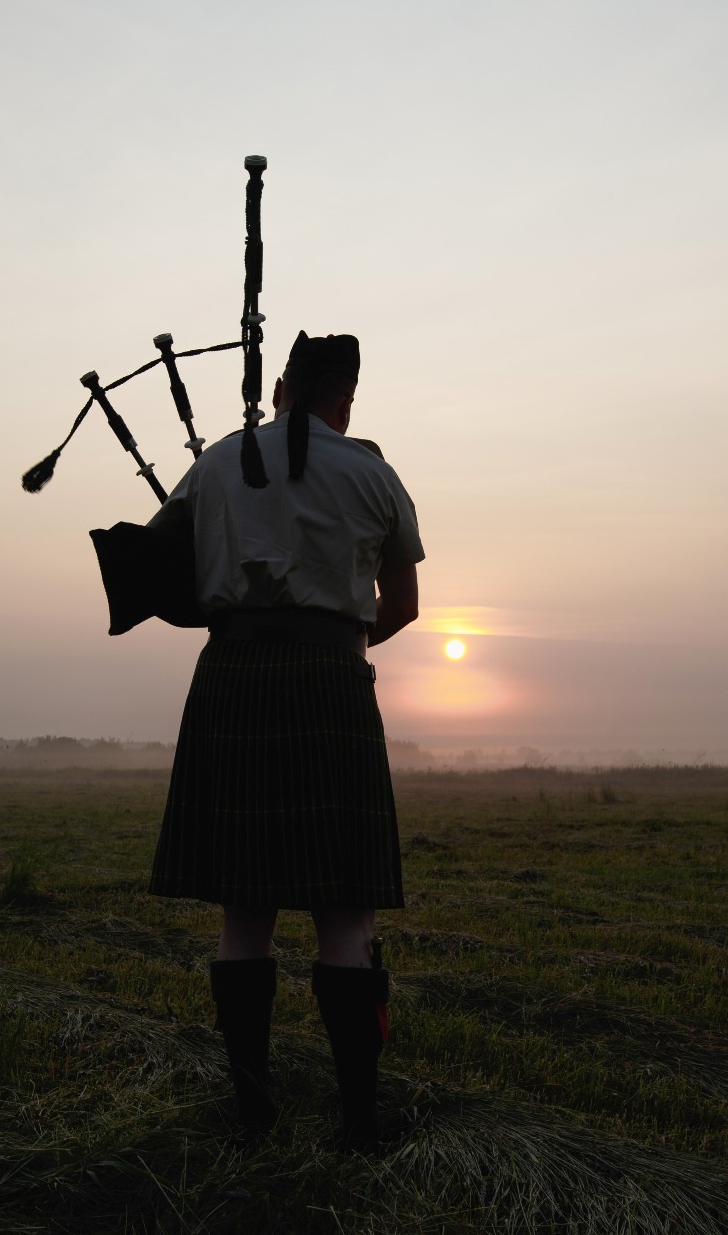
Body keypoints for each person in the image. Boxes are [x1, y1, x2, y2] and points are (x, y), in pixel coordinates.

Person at [144, 331, 422, 1148]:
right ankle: (361, 1121)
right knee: (344, 915)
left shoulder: (219, 461)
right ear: (344, 401)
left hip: (230, 678)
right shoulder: (373, 472)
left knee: (244, 909)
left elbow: (160, 572)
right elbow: (401, 605)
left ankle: (253, 1111)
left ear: (279, 392)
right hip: (331, 685)